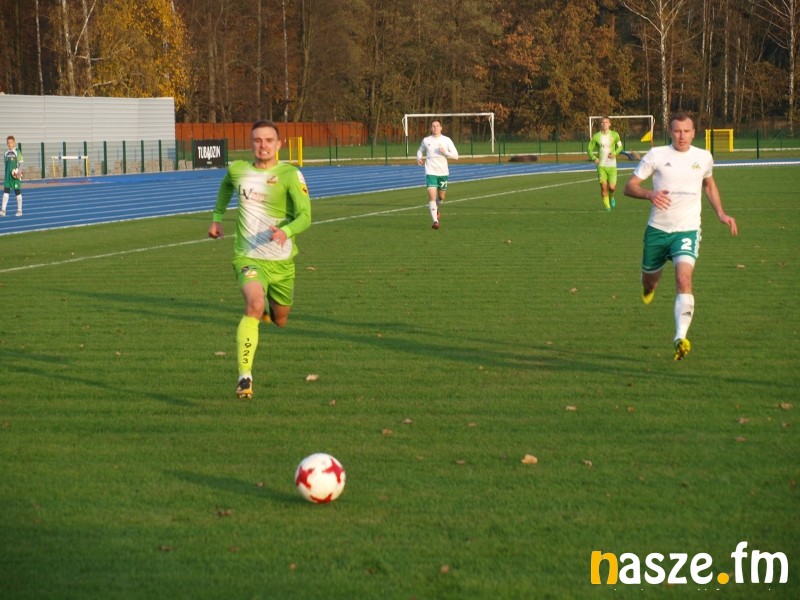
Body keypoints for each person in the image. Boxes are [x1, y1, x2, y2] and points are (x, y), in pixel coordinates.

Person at [208, 120, 312, 398]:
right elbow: (225, 187)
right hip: (248, 257)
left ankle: (268, 308)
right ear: (251, 143)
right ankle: (245, 376)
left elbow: (305, 216)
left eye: (268, 140)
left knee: (280, 319)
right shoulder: (238, 170)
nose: (262, 145)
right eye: (257, 140)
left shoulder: (290, 175)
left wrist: (286, 231)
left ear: (279, 145)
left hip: (281, 263)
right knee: (254, 303)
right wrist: (217, 218)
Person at [623, 111, 738, 360]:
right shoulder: (656, 155)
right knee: (650, 282)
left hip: (687, 229)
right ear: (670, 132)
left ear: (694, 133)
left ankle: (680, 337)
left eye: (686, 131)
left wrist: (721, 213)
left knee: (684, 279)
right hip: (657, 230)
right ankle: (648, 287)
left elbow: (709, 184)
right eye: (677, 131)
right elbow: (629, 187)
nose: (682, 136)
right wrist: (650, 194)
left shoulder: (704, 157)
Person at [416, 120, 459, 229]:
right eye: (433, 126)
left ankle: (437, 207)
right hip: (430, 172)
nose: (435, 128)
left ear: (441, 128)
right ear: (431, 128)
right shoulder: (426, 140)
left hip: (443, 173)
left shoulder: (446, 140)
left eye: (437, 126)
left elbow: (456, 156)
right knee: (431, 196)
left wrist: (446, 152)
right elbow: (420, 150)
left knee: (441, 197)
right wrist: (419, 158)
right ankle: (435, 221)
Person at [587, 116, 623, 211]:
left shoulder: (615, 135)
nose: (605, 124)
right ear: (600, 124)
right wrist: (594, 158)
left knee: (612, 187)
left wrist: (614, 153)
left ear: (609, 124)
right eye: (603, 122)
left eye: (606, 122)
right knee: (603, 187)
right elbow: (589, 149)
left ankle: (612, 196)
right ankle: (607, 207)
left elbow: (620, 147)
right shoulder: (596, 136)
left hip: (612, 166)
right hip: (601, 166)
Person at [2, 135, 24, 217]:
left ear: (14, 143)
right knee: (5, 193)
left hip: (15, 177)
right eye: (8, 143)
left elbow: (21, 163)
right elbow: (6, 164)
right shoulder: (6, 153)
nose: (9, 144)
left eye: (11, 142)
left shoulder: (17, 152)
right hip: (7, 177)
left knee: (17, 193)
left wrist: (18, 172)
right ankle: (3, 210)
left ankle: (19, 210)